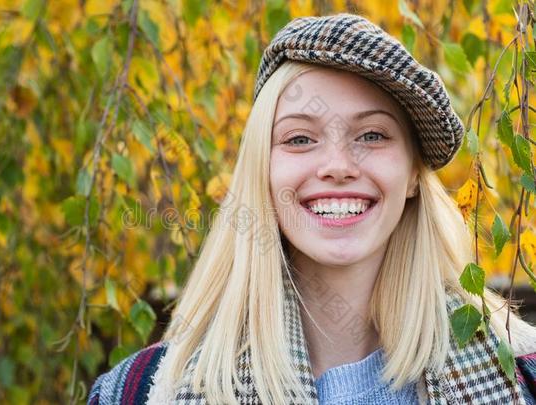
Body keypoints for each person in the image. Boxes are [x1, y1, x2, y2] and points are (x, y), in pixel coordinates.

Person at [88, 13, 536, 405]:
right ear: (262, 170)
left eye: (372, 136)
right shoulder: (137, 393)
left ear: (414, 174)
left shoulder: (524, 376)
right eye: (300, 139)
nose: (338, 167)